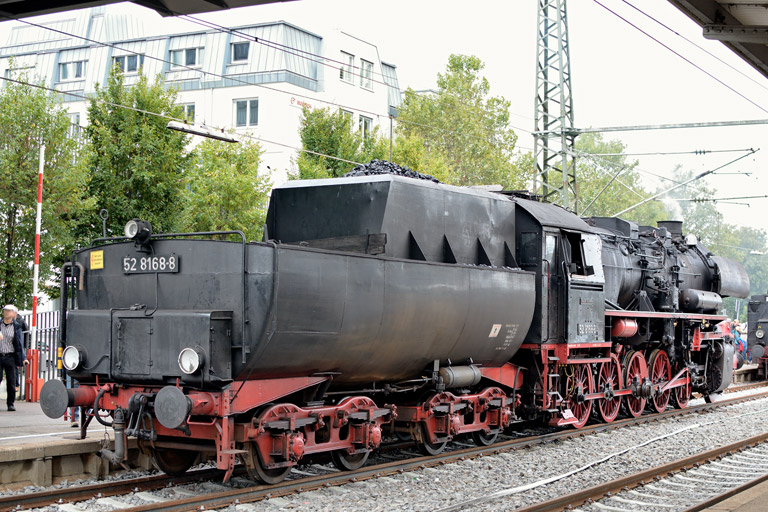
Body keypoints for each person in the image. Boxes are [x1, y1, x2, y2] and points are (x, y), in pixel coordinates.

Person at [0, 304, 27, 411]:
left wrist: (23, 358)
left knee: (11, 381)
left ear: (13, 313)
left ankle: (10, 403)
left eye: (8, 310)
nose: (5, 312)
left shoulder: (16, 327)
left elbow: (19, 343)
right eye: (4, 310)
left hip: (10, 356)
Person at [11, 309, 28, 392]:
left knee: (14, 368)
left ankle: (16, 385)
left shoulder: (20, 321)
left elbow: (26, 333)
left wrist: (24, 346)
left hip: (15, 348)